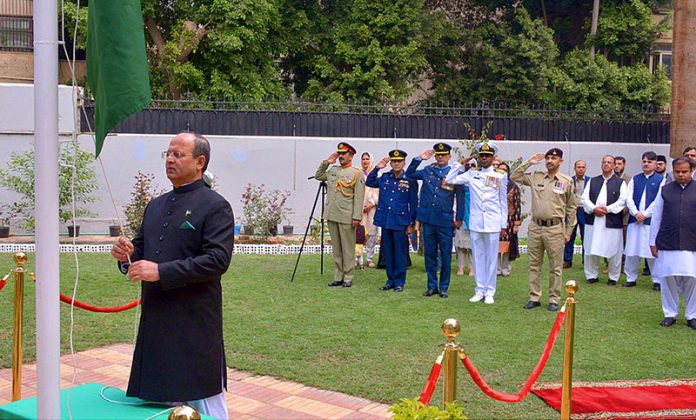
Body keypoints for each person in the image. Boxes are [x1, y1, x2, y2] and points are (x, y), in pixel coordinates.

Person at [110, 132, 234, 419]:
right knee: (159, 401)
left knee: (203, 400)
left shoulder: (215, 206)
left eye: (178, 154)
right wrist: (126, 254)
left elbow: (217, 260)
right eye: (167, 153)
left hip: (194, 320)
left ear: (200, 162)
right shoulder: (155, 205)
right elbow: (141, 250)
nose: (169, 159)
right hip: (157, 316)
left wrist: (161, 271)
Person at [511, 148, 575, 311]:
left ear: (560, 161)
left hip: (554, 228)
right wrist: (529, 163)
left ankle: (554, 298)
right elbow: (514, 177)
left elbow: (571, 208)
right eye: (547, 158)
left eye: (554, 158)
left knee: (555, 266)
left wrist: (568, 232)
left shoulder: (566, 181)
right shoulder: (536, 177)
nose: (549, 161)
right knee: (534, 264)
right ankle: (535, 296)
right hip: (536, 227)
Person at [446, 142, 507, 304]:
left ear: (493, 157)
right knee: (478, 257)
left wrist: (503, 224)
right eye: (482, 156)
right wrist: (460, 164)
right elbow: (450, 179)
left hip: (493, 222)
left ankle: (490, 292)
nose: (484, 158)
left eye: (487, 156)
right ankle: (479, 290)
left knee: (491, 258)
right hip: (476, 222)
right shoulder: (472, 174)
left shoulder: (501, 175)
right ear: (479, 157)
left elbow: (503, 202)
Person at [406, 142, 465, 298]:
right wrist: (419, 158)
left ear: (449, 157)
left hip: (445, 219)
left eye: (443, 155)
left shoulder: (455, 173)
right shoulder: (428, 170)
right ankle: (432, 286)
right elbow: (409, 174)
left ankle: (444, 287)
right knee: (429, 254)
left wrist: (459, 217)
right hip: (428, 218)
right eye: (438, 155)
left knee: (445, 255)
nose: (440, 158)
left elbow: (460, 197)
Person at [649, 157, 696, 330]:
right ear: (673, 171)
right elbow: (656, 216)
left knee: (692, 279)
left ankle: (692, 315)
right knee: (668, 279)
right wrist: (652, 241)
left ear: (691, 171)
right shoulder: (665, 190)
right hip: (668, 241)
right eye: (678, 172)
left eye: (685, 172)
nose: (681, 175)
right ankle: (670, 314)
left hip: (692, 241)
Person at [315, 142, 366, 288]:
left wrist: (357, 216)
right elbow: (318, 176)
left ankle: (348, 276)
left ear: (351, 156)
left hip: (347, 216)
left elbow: (359, 197)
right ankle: (338, 276)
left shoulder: (356, 173)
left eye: (344, 154)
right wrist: (326, 162)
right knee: (337, 248)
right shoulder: (333, 170)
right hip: (332, 214)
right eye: (339, 154)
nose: (341, 156)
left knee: (348, 248)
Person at [366, 149, 418, 292]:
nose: (396, 164)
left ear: (404, 162)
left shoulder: (410, 180)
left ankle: (400, 281)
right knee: (388, 252)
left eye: (399, 161)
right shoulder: (385, 177)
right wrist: (377, 167)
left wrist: (412, 223)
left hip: (401, 221)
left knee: (400, 253)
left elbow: (413, 203)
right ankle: (390, 280)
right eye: (394, 161)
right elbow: (369, 182)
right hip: (386, 220)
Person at [582, 155, 627, 286]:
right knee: (591, 247)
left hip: (611, 221)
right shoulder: (593, 181)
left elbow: (622, 201)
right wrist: (594, 209)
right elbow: (584, 199)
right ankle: (591, 275)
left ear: (614, 166)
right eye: (604, 162)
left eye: (609, 162)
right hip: (593, 219)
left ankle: (613, 276)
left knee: (614, 249)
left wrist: (607, 209)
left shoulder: (620, 183)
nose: (606, 164)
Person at [623, 151, 664, 290]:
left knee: (652, 252)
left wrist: (645, 214)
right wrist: (635, 213)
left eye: (649, 162)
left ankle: (657, 280)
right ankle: (631, 278)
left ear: (655, 163)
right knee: (631, 250)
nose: (646, 164)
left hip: (650, 222)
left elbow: (659, 200)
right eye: (644, 161)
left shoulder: (661, 180)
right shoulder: (635, 179)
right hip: (635, 221)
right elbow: (628, 198)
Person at [563, 160, 590, 269]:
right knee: (569, 235)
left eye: (583, 167)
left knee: (586, 236)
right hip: (571, 211)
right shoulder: (568, 181)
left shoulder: (590, 181)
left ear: (585, 168)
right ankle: (567, 260)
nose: (581, 169)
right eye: (579, 167)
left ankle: (586, 260)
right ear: (574, 168)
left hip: (584, 211)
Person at [497, 162, 521, 277]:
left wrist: (516, 224)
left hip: (510, 220)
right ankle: (496, 268)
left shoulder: (514, 187)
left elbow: (517, 205)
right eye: (499, 170)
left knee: (507, 244)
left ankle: (505, 268)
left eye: (504, 170)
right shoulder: (493, 184)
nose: (502, 172)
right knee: (496, 243)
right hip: (496, 218)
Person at [454, 160, 475, 277]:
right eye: (468, 166)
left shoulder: (479, 180)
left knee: (473, 246)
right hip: (462, 214)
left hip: (475, 216)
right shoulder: (459, 181)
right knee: (461, 245)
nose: (470, 167)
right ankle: (460, 267)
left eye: (473, 165)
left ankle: (472, 268)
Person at [360, 152, 380, 268]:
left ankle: (369, 258)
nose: (365, 161)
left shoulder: (377, 175)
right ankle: (358, 258)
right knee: (359, 233)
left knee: (371, 234)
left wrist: (371, 203)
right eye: (363, 159)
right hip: (360, 209)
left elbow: (380, 192)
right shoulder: (358, 174)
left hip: (372, 208)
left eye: (367, 159)